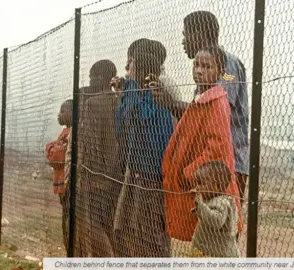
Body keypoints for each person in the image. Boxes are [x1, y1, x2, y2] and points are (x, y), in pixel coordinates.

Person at [153, 10, 250, 205]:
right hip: (210, 162)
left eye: (185, 34)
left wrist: (171, 103)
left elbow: (213, 112)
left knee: (223, 226)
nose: (183, 41)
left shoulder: (226, 66)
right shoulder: (206, 69)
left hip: (227, 163)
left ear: (200, 33)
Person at [162, 46, 243, 256]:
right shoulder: (203, 96)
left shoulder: (218, 97)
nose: (198, 70)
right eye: (196, 65)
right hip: (206, 177)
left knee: (218, 239)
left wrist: (190, 172)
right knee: (206, 241)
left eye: (206, 66)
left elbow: (217, 145)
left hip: (213, 177)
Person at [112, 50, 174, 257]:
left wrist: (129, 92)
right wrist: (124, 94)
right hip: (138, 169)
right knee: (132, 229)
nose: (127, 68)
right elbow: (120, 128)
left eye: (131, 64)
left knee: (151, 232)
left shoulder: (154, 92)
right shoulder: (136, 92)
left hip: (153, 172)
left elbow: (142, 116)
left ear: (141, 70)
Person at [77, 60, 127, 257]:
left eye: (91, 77)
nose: (90, 81)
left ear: (99, 78)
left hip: (98, 176)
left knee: (94, 225)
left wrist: (94, 175)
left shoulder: (93, 103)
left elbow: (91, 144)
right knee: (110, 225)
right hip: (118, 173)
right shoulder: (120, 99)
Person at [45, 99, 77, 254]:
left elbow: (56, 154)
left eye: (63, 111)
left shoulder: (72, 133)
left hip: (67, 182)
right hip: (61, 182)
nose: (59, 114)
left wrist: (53, 148)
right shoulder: (65, 132)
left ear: (73, 113)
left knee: (69, 219)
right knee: (65, 216)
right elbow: (51, 152)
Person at [189, 161, 240, 257]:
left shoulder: (222, 203)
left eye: (200, 183)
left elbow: (216, 221)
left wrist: (199, 204)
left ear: (217, 186)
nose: (196, 187)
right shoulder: (212, 200)